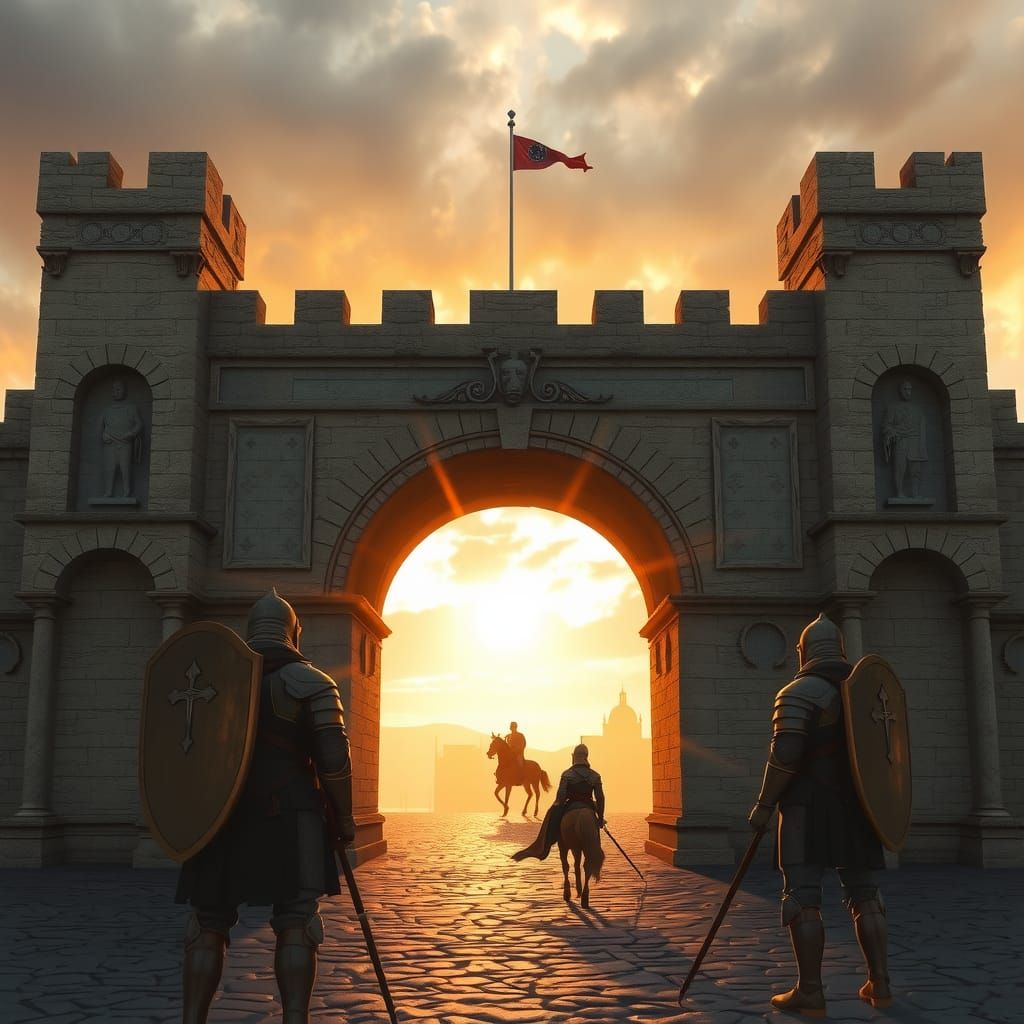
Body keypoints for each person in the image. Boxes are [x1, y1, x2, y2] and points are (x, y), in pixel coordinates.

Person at [175, 589, 355, 1024]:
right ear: (295, 631)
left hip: (220, 815)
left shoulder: (215, 680)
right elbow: (333, 759)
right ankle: (294, 1018)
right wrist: (344, 817)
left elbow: (185, 752)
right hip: (291, 815)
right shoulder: (311, 681)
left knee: (208, 922)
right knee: (297, 921)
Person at [748, 613, 890, 1017]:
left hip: (807, 806)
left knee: (802, 897)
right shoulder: (866, 692)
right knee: (865, 895)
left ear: (803, 651)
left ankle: (810, 991)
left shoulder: (798, 692)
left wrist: (762, 804)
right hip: (861, 805)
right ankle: (880, 984)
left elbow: (787, 755)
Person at [512, 743, 605, 862]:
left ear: (574, 756)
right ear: (586, 756)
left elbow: (560, 798)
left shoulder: (567, 774)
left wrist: (556, 807)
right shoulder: (595, 776)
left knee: (552, 815)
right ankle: (596, 850)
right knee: (594, 826)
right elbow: (600, 798)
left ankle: (545, 843)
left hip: (571, 805)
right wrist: (601, 818)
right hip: (588, 806)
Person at [881, 379, 927, 499]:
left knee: (915, 470)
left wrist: (922, 447)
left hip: (915, 441)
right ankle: (899, 493)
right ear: (901, 391)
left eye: (910, 389)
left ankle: (915, 493)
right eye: (905, 389)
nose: (908, 392)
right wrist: (891, 433)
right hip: (900, 440)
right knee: (900, 468)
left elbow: (922, 428)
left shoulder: (917, 409)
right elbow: (886, 425)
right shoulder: (893, 408)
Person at [100, 378, 144, 497]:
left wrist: (132, 433)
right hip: (110, 442)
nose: (116, 392)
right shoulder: (106, 410)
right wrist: (103, 435)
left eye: (119, 389)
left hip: (125, 442)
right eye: (114, 390)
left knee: (125, 467)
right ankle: (108, 491)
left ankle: (126, 490)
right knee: (110, 468)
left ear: (124, 391)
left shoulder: (131, 408)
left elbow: (139, 423)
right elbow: (101, 428)